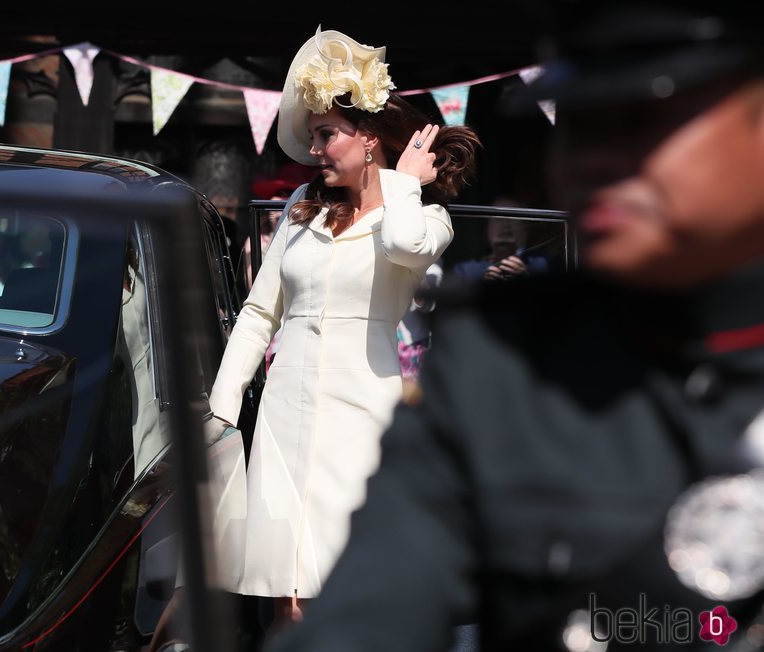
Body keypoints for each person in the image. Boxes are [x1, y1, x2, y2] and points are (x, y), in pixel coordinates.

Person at [265, 2, 764, 650]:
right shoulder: (498, 362)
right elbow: (372, 610)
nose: (595, 159)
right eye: (580, 124)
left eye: (644, 120)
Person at [206, 25, 479, 629]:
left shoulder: (428, 217)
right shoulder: (301, 207)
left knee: (343, 590)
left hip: (363, 418)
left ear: (371, 138)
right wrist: (222, 406)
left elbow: (406, 245)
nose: (315, 149)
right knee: (288, 597)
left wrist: (403, 184)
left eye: (327, 134)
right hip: (284, 417)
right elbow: (259, 311)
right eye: (313, 137)